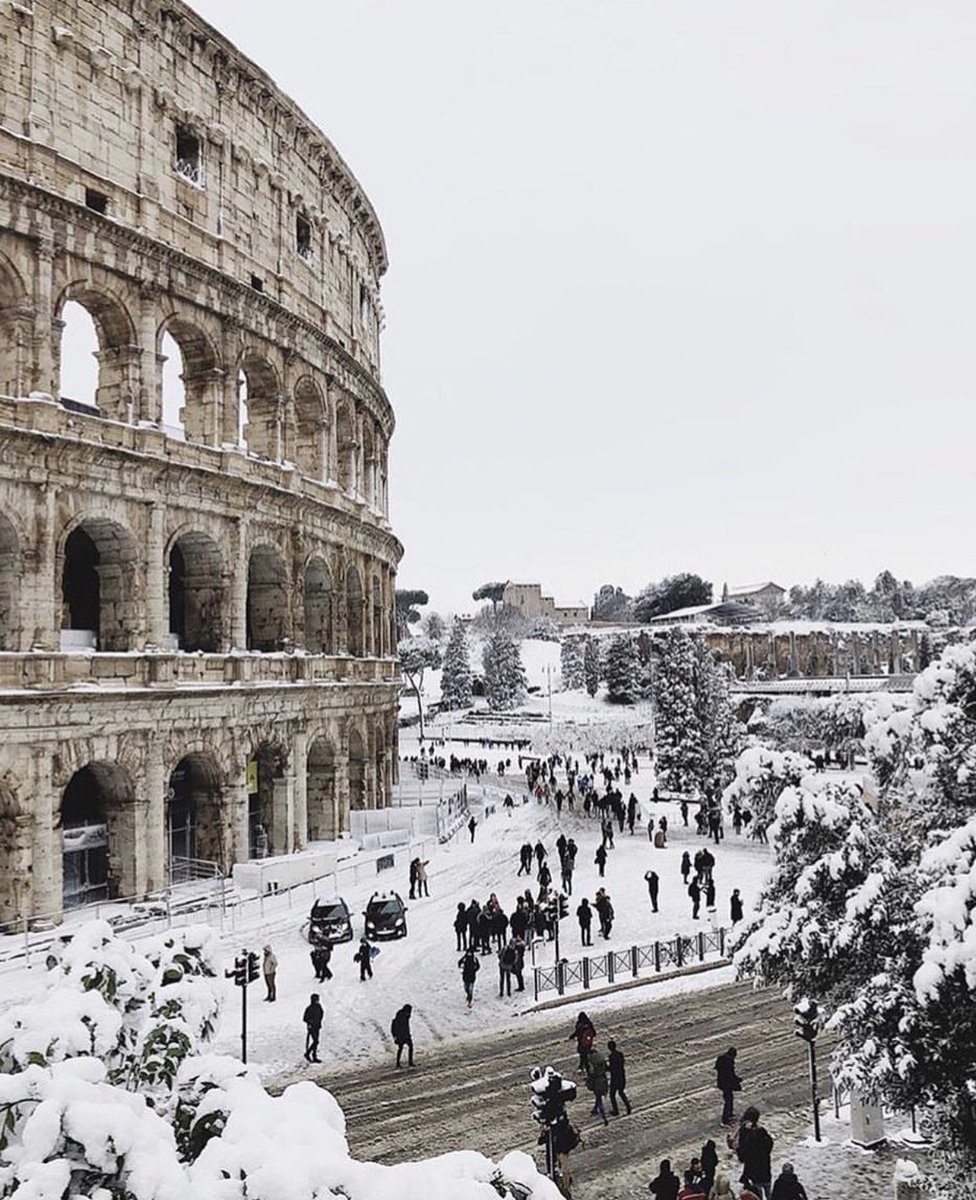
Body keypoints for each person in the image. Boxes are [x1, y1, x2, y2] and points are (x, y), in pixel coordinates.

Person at [736, 1106, 773, 1200]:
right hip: (765, 1167)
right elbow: (769, 1144)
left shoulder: (746, 1132)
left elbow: (743, 1150)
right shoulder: (762, 1132)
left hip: (753, 1169)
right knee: (768, 1191)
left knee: (757, 1193)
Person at [584, 1042, 609, 1125]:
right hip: (603, 1080)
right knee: (598, 1097)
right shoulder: (602, 1059)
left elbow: (592, 1073)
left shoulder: (591, 1062)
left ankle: (604, 1117)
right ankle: (595, 1109)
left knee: (599, 1098)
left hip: (597, 1082)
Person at [715, 1046, 740, 1126]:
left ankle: (729, 1114)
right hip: (727, 1084)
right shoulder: (729, 1062)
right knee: (728, 1100)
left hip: (722, 1082)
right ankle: (726, 1118)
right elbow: (730, 1074)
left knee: (729, 1099)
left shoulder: (721, 1059)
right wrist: (737, 1080)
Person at [607, 1038, 631, 1116]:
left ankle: (616, 1110)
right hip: (621, 1075)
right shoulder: (620, 1054)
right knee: (621, 1092)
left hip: (615, 1078)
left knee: (612, 1095)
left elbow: (611, 1068)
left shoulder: (611, 1057)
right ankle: (628, 1107)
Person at [302, 992, 323, 1062]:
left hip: (317, 1026)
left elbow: (321, 1014)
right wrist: (310, 1022)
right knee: (316, 1041)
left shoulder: (319, 1007)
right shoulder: (309, 1008)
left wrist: (319, 1021)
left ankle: (314, 1055)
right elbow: (305, 1018)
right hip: (312, 1027)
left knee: (316, 1042)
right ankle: (308, 1053)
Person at [391, 1003, 414, 1067]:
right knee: (407, 1047)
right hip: (402, 1035)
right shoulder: (402, 1017)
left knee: (402, 1048)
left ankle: (399, 1063)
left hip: (403, 1034)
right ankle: (409, 1062)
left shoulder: (403, 1015)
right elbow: (402, 1027)